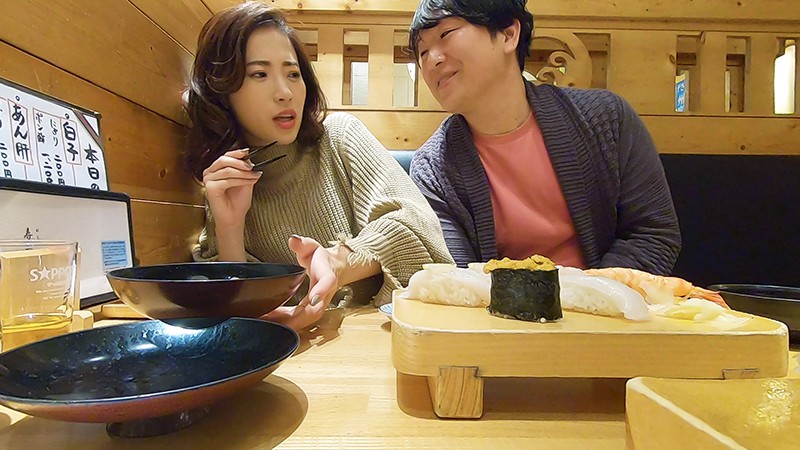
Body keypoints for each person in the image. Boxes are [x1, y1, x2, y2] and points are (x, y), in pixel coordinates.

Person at [185, 2, 453, 331]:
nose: (285, 93)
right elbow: (237, 315)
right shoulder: (225, 181)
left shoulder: (338, 137)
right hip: (297, 351)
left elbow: (418, 228)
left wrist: (339, 262)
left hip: (381, 337)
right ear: (222, 90)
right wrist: (229, 227)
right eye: (259, 74)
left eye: (293, 73)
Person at [408, 0, 680, 275]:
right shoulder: (432, 169)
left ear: (508, 34)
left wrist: (591, 293)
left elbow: (653, 234)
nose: (432, 60)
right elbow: (459, 278)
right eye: (422, 52)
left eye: (446, 34)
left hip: (609, 298)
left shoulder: (606, 118)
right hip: (494, 303)